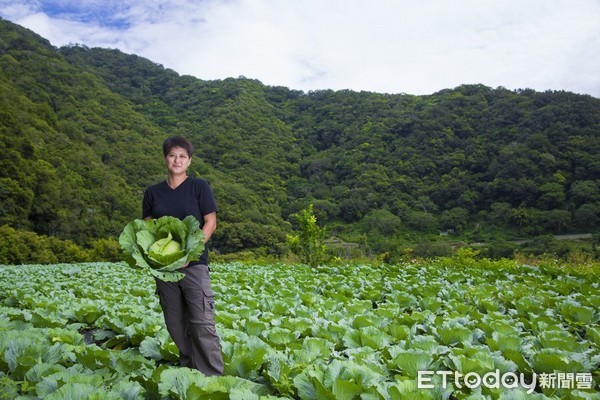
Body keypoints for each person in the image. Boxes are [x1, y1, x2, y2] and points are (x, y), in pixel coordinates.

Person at [142, 136, 224, 376]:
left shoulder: (199, 187)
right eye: (172, 155)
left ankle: (212, 378)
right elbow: (147, 231)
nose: (177, 160)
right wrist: (158, 257)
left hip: (194, 264)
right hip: (165, 269)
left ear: (189, 161)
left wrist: (190, 251)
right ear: (165, 158)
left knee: (201, 322)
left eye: (182, 156)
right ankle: (190, 371)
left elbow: (210, 222)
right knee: (175, 323)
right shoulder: (153, 193)